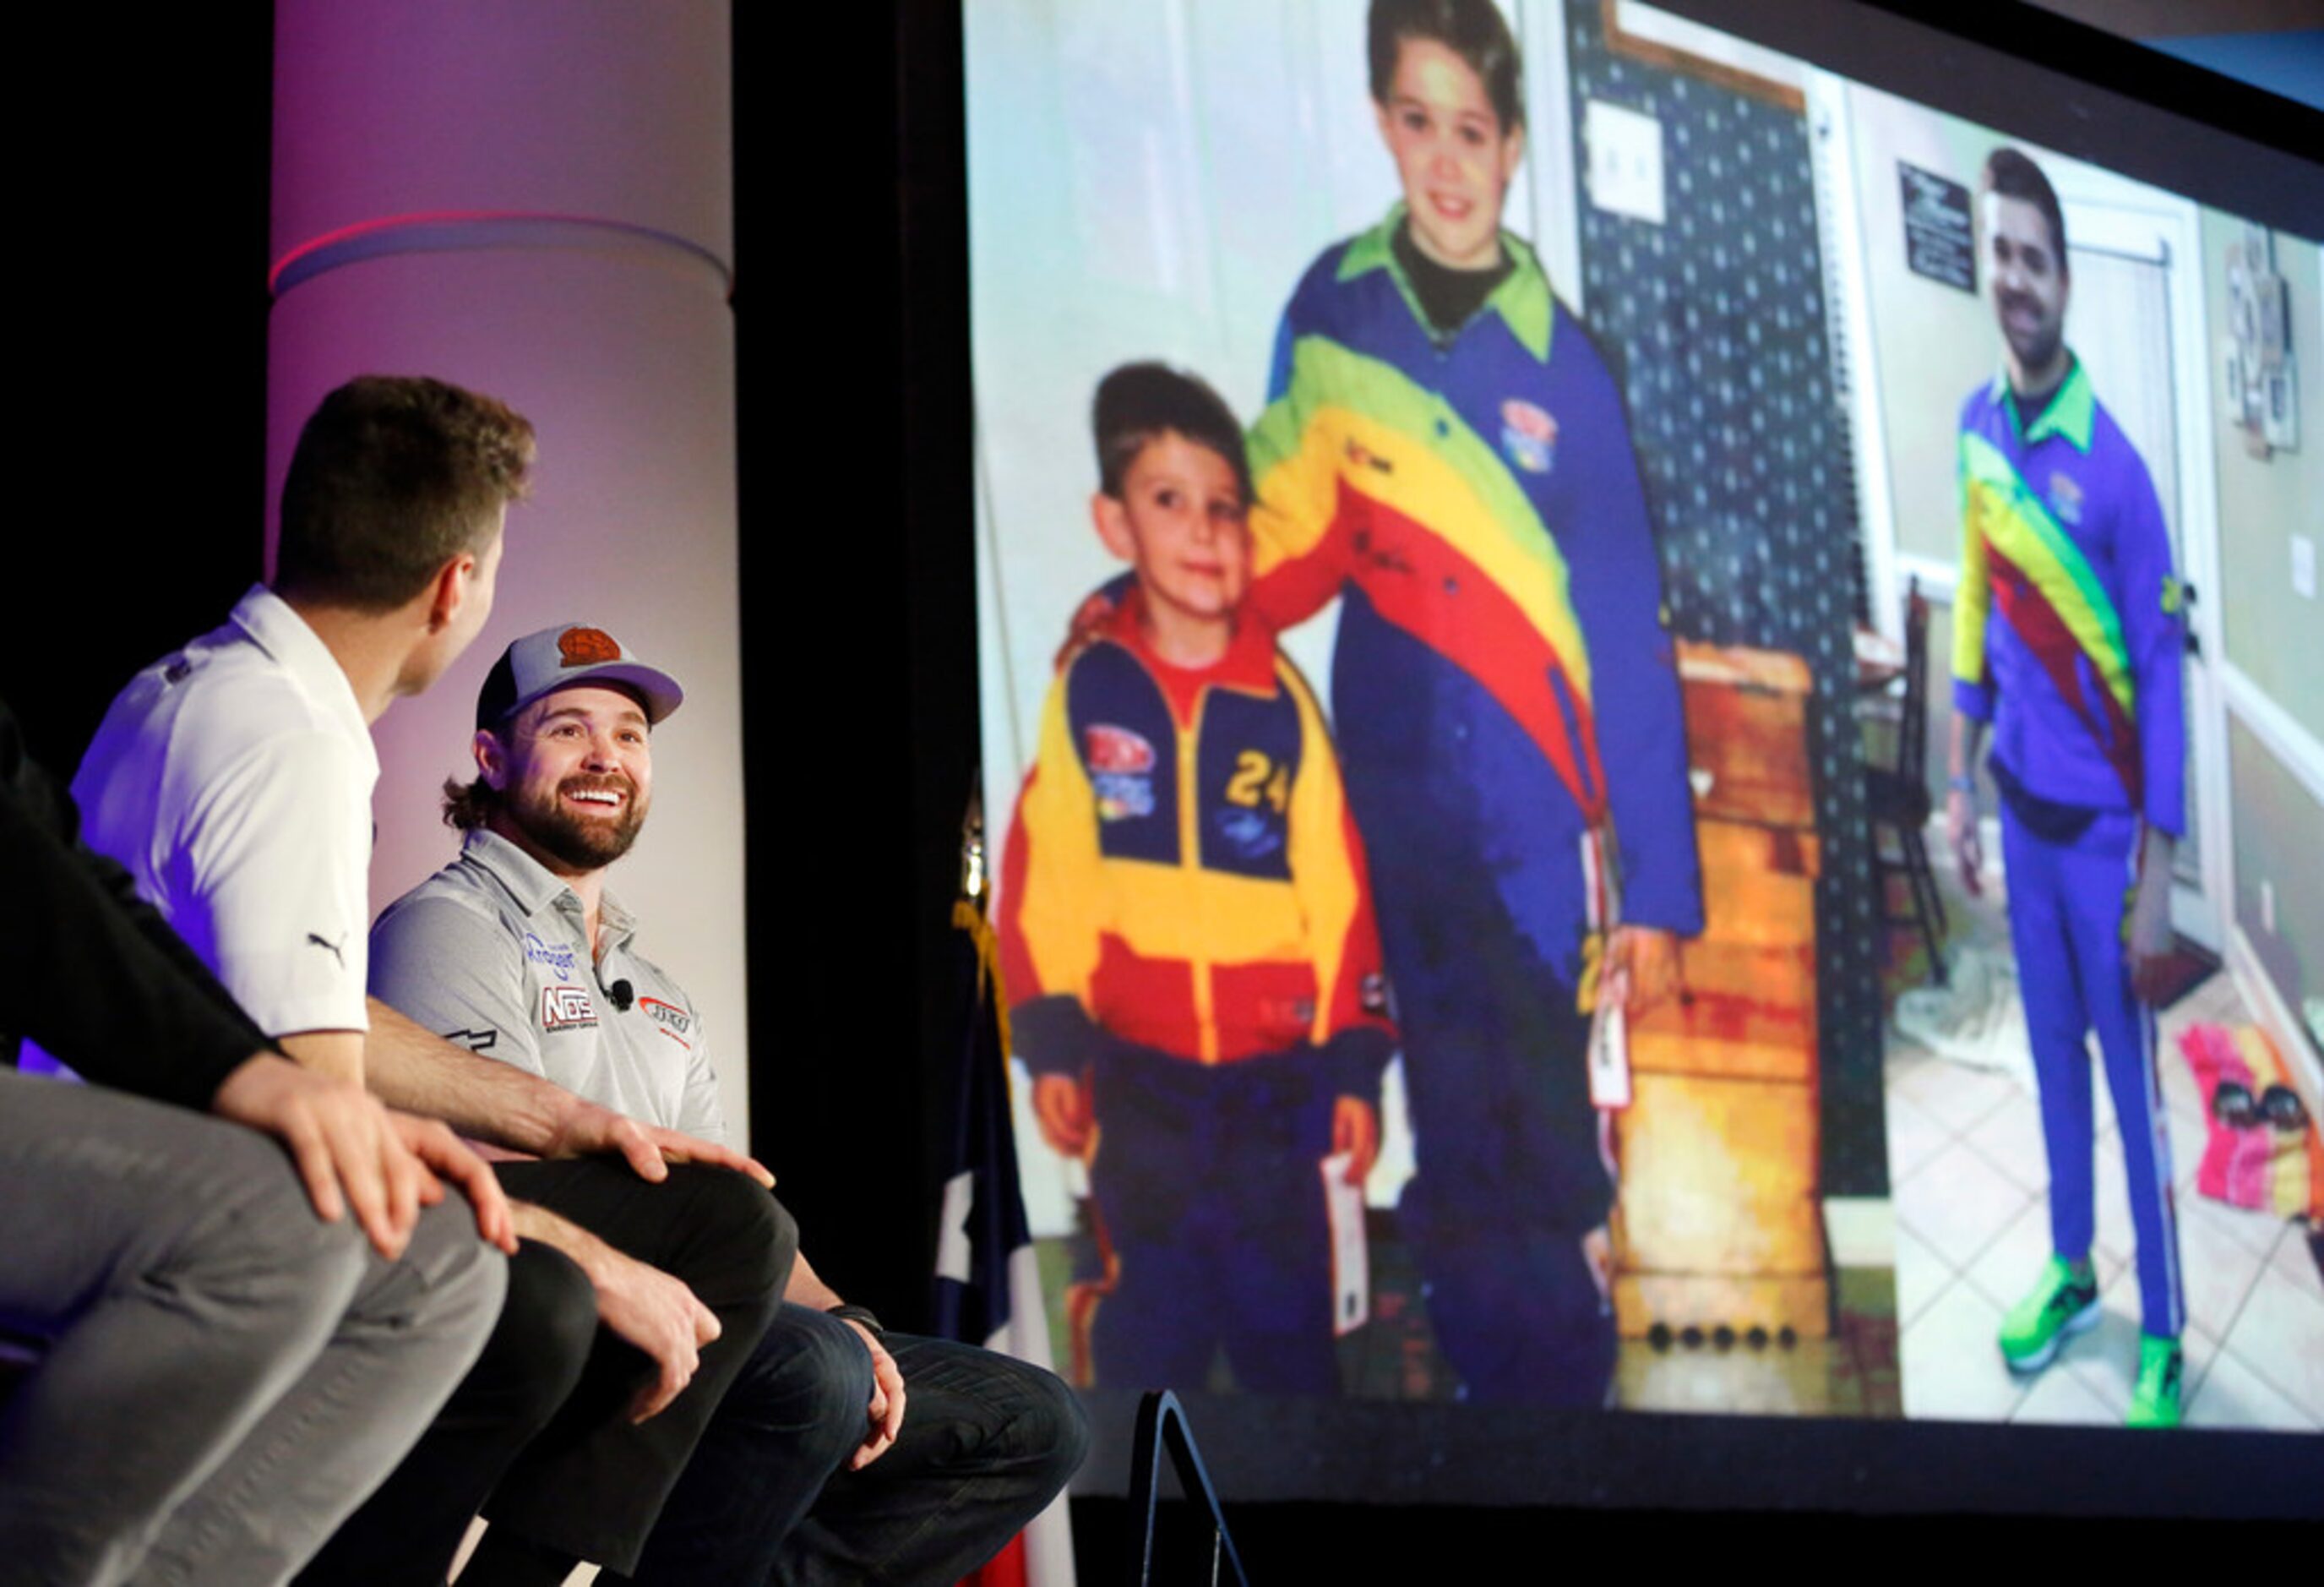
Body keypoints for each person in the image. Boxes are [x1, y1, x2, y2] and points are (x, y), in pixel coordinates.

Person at [1061, 0, 1702, 1405]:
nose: (1445, 159)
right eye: (1417, 121)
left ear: (1513, 143)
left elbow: (1627, 632)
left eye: (1470, 129)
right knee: (1446, 1118)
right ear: (1380, 124)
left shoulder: (1569, 366)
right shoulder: (1334, 308)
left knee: (1542, 1127)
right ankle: (1486, 1403)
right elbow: (1268, 547)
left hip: (1542, 844)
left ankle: (1568, 1418)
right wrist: (1146, 612)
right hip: (1390, 816)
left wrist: (1655, 883)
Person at [66, 375, 793, 1584]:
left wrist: (551, 1113)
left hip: (181, 1153)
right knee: (648, 1256)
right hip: (191, 1197)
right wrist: (578, 1242)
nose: (606, 752)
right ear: (456, 583)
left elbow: (291, 1006)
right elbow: (316, 1091)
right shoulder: (285, 740)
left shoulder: (204, 685)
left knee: (649, 1249)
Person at [369, 622, 1090, 1584]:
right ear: (492, 756)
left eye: (629, 735)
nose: (606, 758)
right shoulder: (445, 927)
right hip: (545, 1310)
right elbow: (484, 1182)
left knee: (1033, 1420)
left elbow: (734, 1213)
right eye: (569, 729)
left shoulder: (657, 987)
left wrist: (853, 1320)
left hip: (719, 1321)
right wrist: (818, 1341)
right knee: (813, 1374)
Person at [0, 693, 510, 1586]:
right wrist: (254, 1080)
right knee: (294, 1221)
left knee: (443, 1265)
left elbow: (59, 870)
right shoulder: (269, 729)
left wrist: (248, 1068)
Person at [1002, 363, 1393, 1394]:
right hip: (1142, 1085)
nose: (1205, 532)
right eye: (1170, 502)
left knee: (1289, 1336)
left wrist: (1353, 1065)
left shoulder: (1282, 701)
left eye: (1225, 507)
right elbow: (1052, 877)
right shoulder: (1092, 686)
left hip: (1279, 1089)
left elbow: (1340, 891)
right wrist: (1052, 1044)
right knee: (1149, 1337)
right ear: (1114, 523)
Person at [1945, 148, 2189, 1428]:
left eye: (2033, 259)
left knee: (2127, 1093)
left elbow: (2160, 686)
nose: (2013, 280)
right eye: (1998, 254)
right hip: (2017, 829)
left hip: (2101, 848)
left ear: (2064, 278)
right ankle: (2069, 1275)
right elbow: (1975, 607)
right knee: (2048, 1070)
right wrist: (1950, 782)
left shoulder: (2122, 473)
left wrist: (2153, 886)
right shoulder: (1973, 432)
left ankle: (2159, 1325)